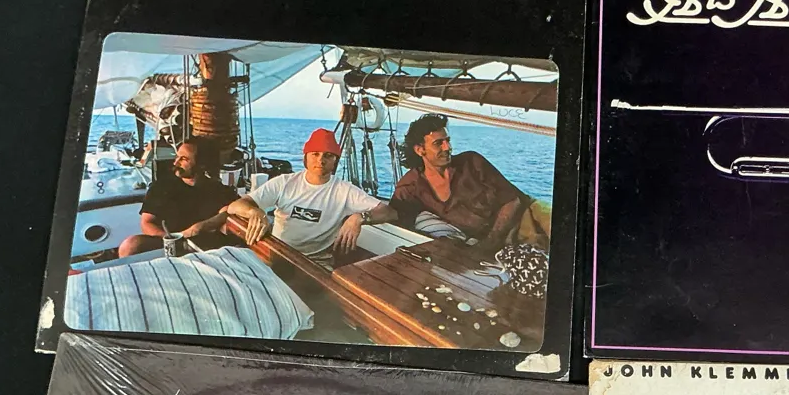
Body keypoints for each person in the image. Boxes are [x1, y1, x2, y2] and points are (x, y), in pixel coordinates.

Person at [222, 128, 398, 266]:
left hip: (316, 263)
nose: (321, 160)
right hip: (276, 254)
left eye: (328, 155)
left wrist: (359, 217)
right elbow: (235, 205)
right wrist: (255, 212)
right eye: (315, 154)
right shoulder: (284, 182)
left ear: (335, 161)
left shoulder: (345, 191)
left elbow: (389, 212)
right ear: (305, 157)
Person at [389, 113, 544, 248]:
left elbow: (513, 201)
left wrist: (491, 242)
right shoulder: (410, 186)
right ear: (419, 150)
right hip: (484, 245)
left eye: (448, 140)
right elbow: (392, 215)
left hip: (524, 220)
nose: (447, 147)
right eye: (438, 143)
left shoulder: (471, 163)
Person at [117, 138, 236, 257]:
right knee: (131, 245)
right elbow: (147, 222)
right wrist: (172, 239)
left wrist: (200, 227)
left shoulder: (217, 189)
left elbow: (228, 211)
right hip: (166, 242)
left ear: (202, 164)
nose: (175, 163)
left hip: (203, 247)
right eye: (177, 157)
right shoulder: (161, 187)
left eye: (184, 159)